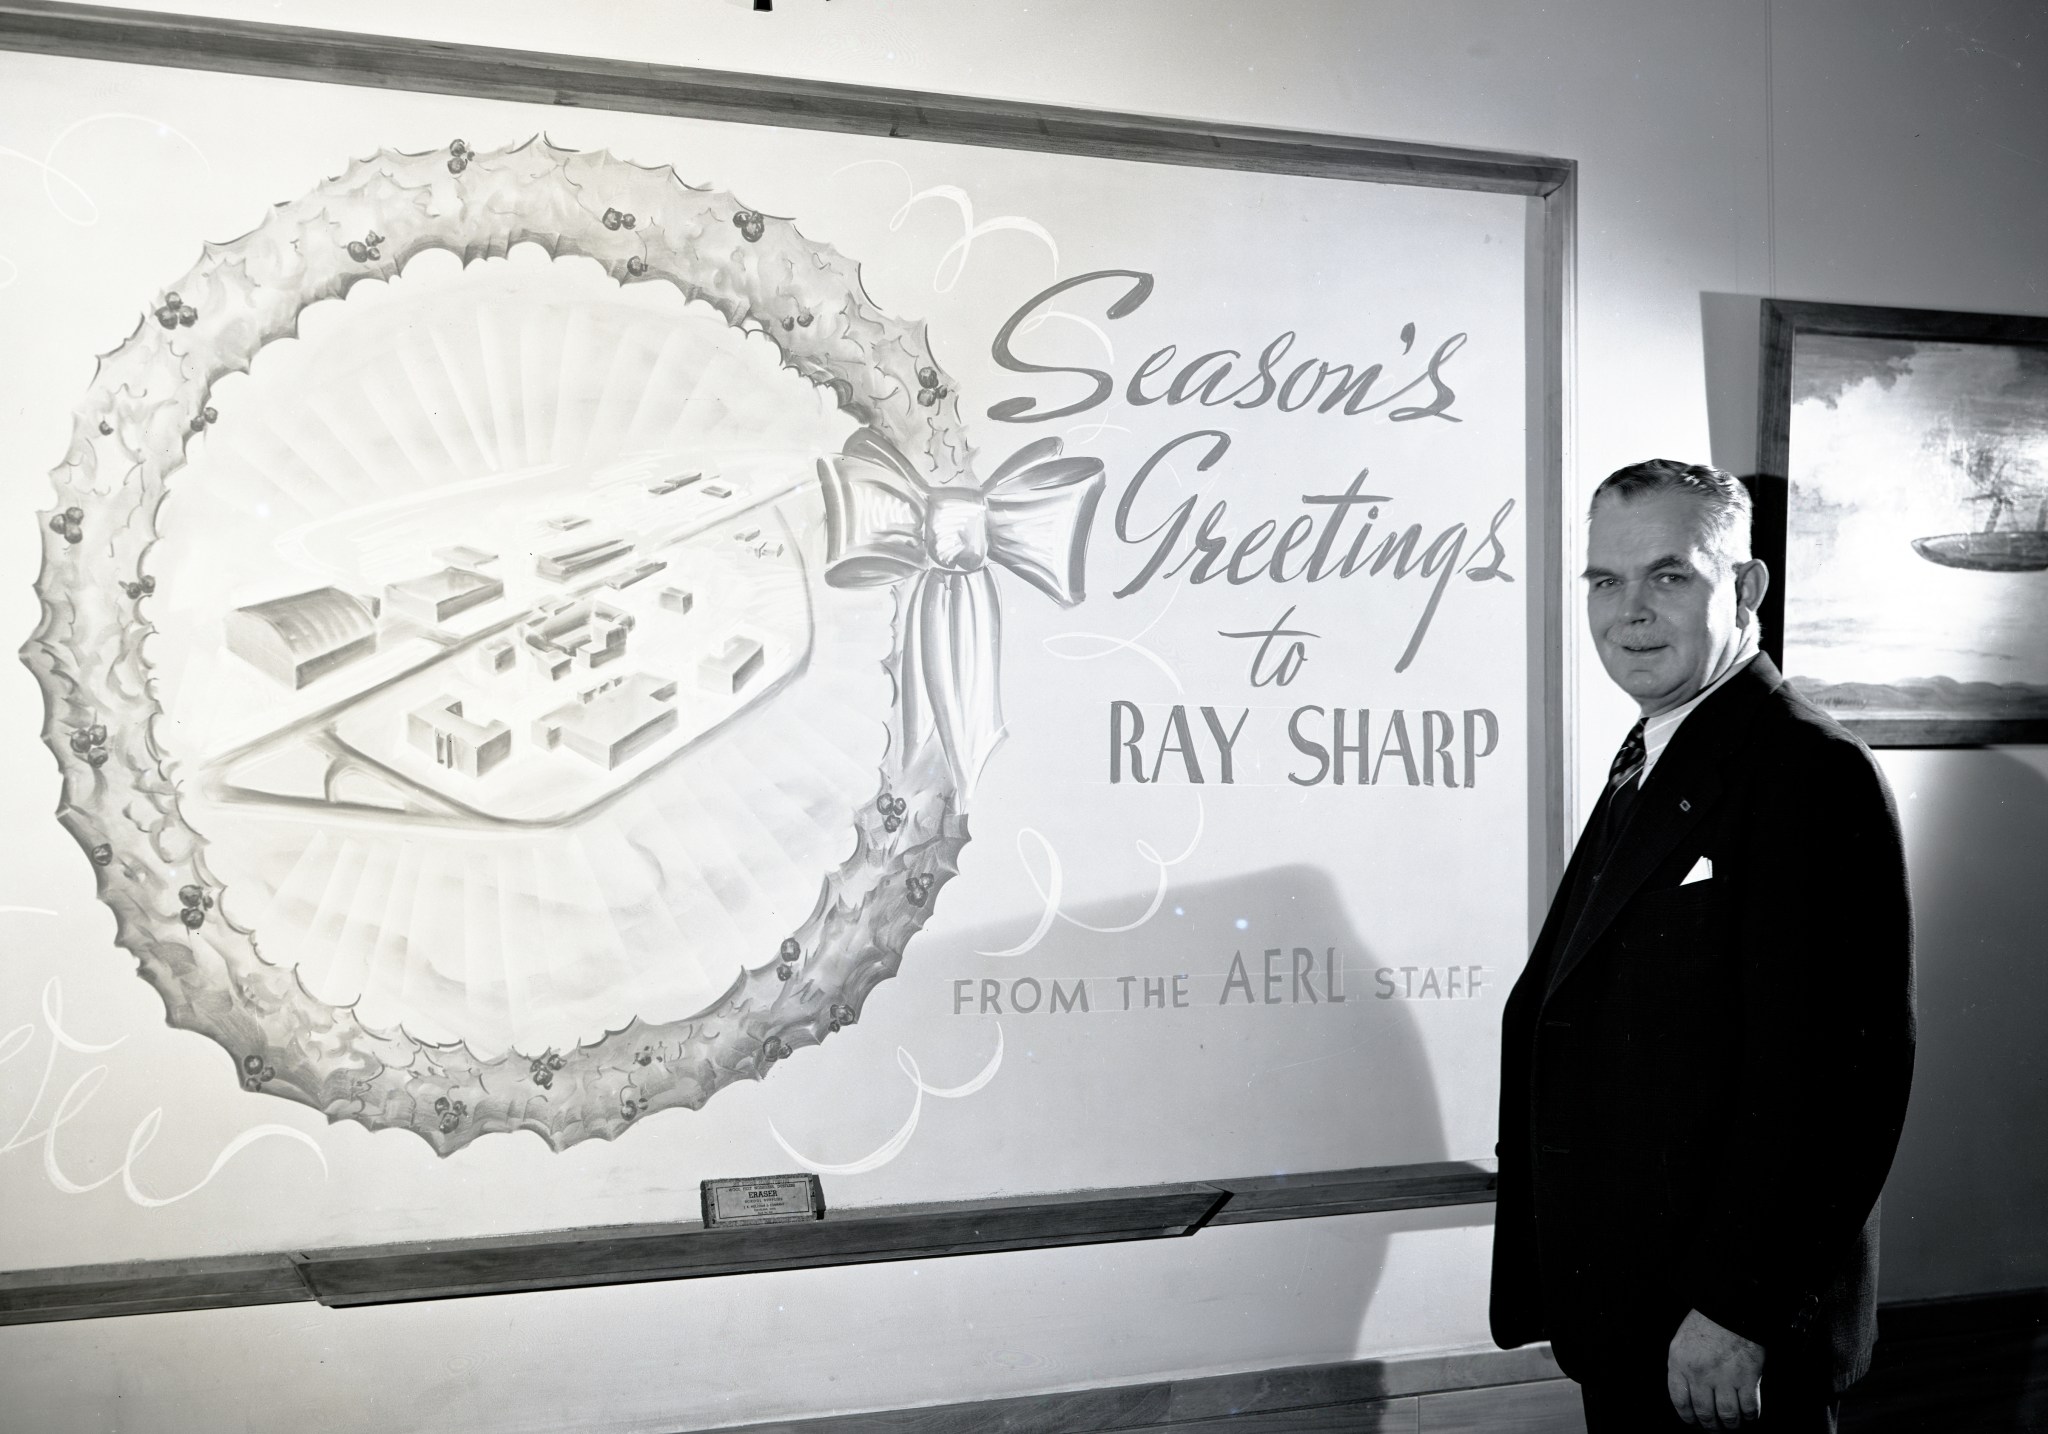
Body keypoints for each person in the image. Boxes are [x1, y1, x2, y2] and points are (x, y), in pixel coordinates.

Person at [1490, 460, 1916, 1431]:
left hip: (1719, 1335)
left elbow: (1843, 1082)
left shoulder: (1807, 770)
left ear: (1746, 586)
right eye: (1604, 581)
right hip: (1634, 1312)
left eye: (1668, 576)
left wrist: (1738, 1306)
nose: (1627, 612)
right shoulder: (1658, 747)